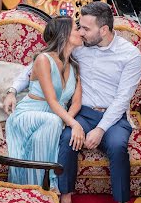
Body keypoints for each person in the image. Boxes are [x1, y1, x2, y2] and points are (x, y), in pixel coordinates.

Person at [4, 2, 141, 203]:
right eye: (78, 27)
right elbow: (34, 66)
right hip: (83, 113)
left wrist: (100, 129)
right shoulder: (79, 47)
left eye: (86, 28)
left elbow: (122, 99)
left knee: (119, 147)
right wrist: (12, 89)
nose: (80, 31)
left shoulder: (130, 55)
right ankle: (66, 198)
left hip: (113, 116)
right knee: (67, 139)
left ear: (104, 30)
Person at [5, 16, 84, 193]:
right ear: (64, 34)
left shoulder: (75, 67)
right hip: (29, 114)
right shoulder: (43, 59)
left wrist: (67, 120)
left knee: (54, 124)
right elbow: (52, 100)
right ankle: (46, 186)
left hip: (55, 118)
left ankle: (39, 188)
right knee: (54, 122)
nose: (80, 33)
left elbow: (77, 102)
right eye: (76, 29)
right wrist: (73, 123)